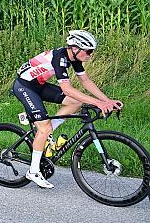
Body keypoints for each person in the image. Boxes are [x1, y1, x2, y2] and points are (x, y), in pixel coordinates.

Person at [13, 30, 122, 189]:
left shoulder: (74, 57)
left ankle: (45, 133)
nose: (91, 55)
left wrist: (107, 101)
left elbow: (85, 81)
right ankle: (33, 171)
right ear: (76, 48)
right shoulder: (60, 57)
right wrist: (98, 103)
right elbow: (68, 89)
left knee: (75, 104)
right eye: (89, 51)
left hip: (39, 85)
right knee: (45, 127)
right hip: (24, 86)